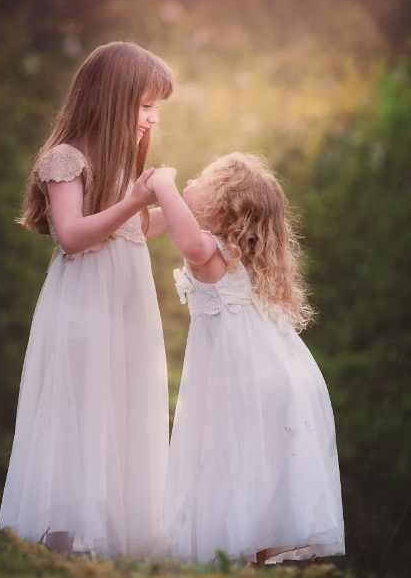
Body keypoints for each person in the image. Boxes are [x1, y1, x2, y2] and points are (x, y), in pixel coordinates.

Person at [0, 41, 174, 558]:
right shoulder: (67, 159)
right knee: (81, 416)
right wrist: (138, 198)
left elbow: (135, 229)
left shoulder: (119, 169)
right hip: (84, 311)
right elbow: (73, 234)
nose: (152, 118)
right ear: (114, 98)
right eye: (145, 105)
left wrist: (194, 206)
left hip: (125, 311)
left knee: (120, 410)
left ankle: (112, 547)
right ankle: (61, 544)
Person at [147, 153, 345, 565]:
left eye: (201, 176)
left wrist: (163, 184)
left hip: (248, 383)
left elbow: (185, 240)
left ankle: (239, 561)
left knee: (231, 472)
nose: (191, 178)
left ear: (219, 206)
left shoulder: (212, 251)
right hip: (281, 379)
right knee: (256, 483)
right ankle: (254, 561)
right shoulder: (244, 261)